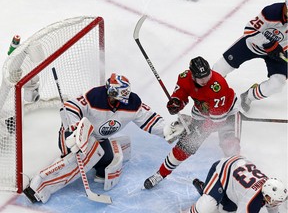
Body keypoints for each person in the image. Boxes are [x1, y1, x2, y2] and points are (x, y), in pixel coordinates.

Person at [23, 73, 167, 203]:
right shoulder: (94, 96)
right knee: (76, 160)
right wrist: (74, 129)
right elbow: (70, 107)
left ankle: (93, 163)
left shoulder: (132, 102)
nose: (125, 96)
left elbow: (149, 118)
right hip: (75, 135)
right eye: (121, 93)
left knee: (107, 163)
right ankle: (39, 188)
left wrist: (168, 130)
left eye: (126, 92)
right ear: (111, 91)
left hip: (98, 138)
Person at [144, 56, 242, 189]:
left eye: (207, 76)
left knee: (230, 146)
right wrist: (176, 102)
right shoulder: (184, 78)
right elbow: (181, 95)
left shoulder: (218, 86)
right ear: (192, 76)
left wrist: (201, 130)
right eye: (200, 78)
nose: (204, 80)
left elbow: (218, 121)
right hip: (201, 112)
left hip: (227, 113)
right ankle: (160, 174)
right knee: (185, 146)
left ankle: (235, 184)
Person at [213, 2, 287, 112]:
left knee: (277, 83)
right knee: (218, 69)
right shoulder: (271, 12)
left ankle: (248, 96)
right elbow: (249, 30)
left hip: (278, 53)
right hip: (251, 45)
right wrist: (268, 44)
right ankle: (213, 96)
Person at [182, 155, 288, 213]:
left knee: (229, 208)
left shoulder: (268, 189)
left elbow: (272, 207)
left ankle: (209, 191)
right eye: (276, 201)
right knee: (207, 208)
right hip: (221, 170)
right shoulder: (251, 202)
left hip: (238, 167)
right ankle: (207, 192)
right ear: (267, 197)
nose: (276, 203)